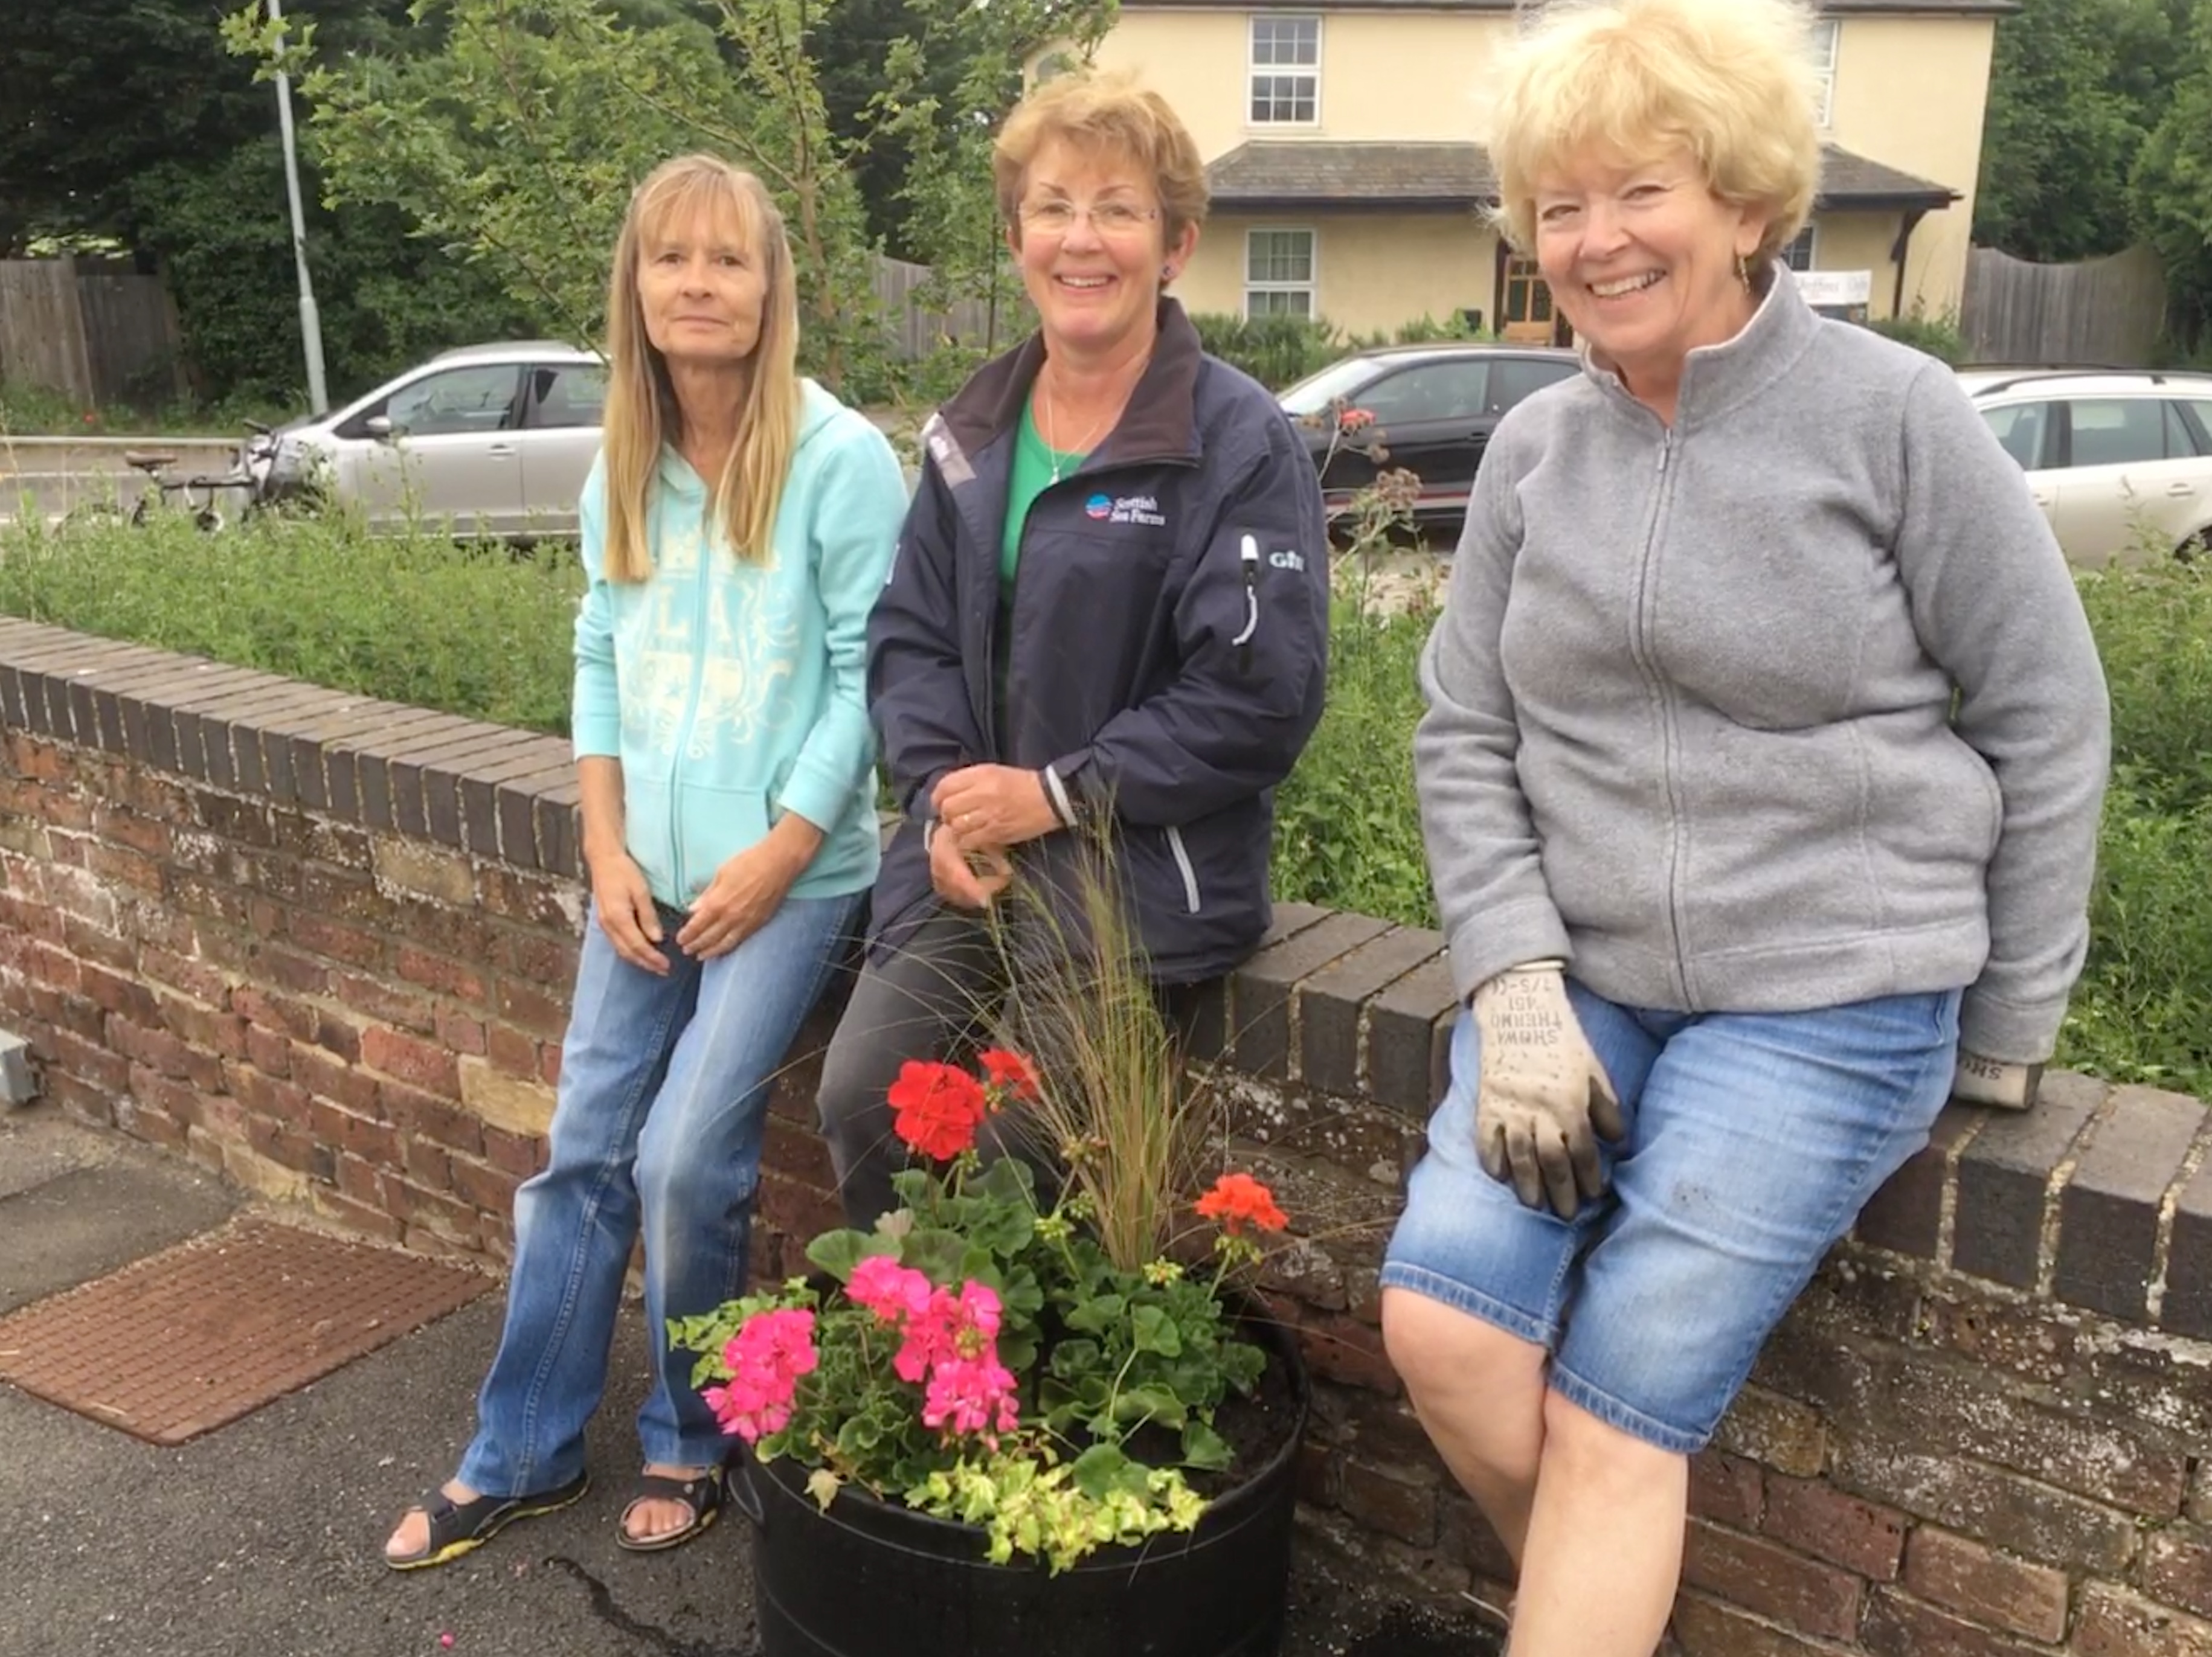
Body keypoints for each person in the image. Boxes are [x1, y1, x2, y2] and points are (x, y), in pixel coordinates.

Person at [1376, 2, 2111, 1653]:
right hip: (1586, 990)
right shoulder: (1528, 452)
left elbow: (2045, 717)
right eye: (1555, 207)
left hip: (1829, 1000)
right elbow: (1462, 730)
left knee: (1619, 1404)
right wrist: (1507, 985)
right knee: (1445, 1331)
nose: (1592, 239)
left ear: (1742, 202)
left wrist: (2005, 1024)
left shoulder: (1895, 416)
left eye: (1636, 191)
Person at [382, 155, 907, 1568]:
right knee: (581, 1151)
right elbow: (599, 656)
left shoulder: (839, 458)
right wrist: (602, 843)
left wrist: (784, 846)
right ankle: (524, 1448)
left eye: (726, 260)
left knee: (684, 1154)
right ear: (637, 285)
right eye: (670, 258)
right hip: (643, 877)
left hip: (793, 880)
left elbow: (875, 677)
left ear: (769, 285)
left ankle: (694, 1427)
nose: (697, 284)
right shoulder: (623, 451)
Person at [814, 71, 1331, 1226]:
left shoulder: (1237, 441)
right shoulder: (971, 430)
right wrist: (948, 801)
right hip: (972, 861)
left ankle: (1020, 1395)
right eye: (1052, 207)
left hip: (1137, 876)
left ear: (1175, 244)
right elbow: (907, 639)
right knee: (863, 1100)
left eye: (1117, 208)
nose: (1080, 239)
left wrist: (1051, 795)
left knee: (1024, 1150)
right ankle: (920, 1371)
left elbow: (1260, 695)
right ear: (1016, 239)